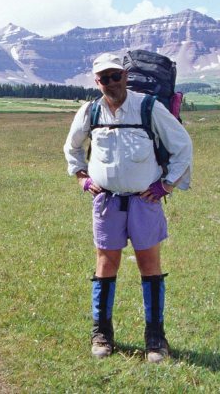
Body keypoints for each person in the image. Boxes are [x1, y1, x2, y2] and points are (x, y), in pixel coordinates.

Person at [63, 52, 193, 363]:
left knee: (149, 265)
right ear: (97, 82)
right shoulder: (90, 111)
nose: (110, 82)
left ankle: (155, 340)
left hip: (143, 200)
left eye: (115, 76)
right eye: (103, 78)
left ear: (126, 77)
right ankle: (102, 335)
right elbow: (72, 147)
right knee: (106, 265)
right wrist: (81, 176)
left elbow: (182, 145)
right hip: (106, 200)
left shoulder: (149, 107)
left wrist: (167, 184)